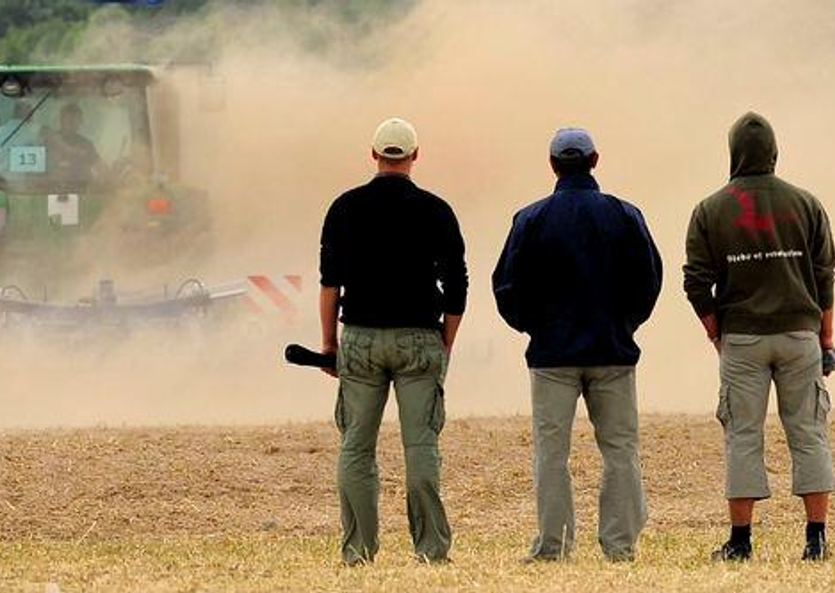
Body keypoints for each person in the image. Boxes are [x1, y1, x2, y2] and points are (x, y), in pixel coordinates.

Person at [492, 128, 662, 562]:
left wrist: (534, 328)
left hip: (552, 357)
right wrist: (626, 325)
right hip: (613, 353)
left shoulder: (530, 219)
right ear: (595, 160)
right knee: (621, 449)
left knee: (552, 454)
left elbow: (506, 286)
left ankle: (554, 546)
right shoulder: (625, 215)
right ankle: (620, 545)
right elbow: (649, 279)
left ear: (552, 165)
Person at [683, 112, 834, 562]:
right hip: (799, 336)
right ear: (773, 152)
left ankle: (741, 541)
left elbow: (696, 282)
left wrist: (718, 336)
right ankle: (816, 538)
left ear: (733, 154)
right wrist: (826, 340)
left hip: (743, 339)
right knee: (808, 432)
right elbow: (825, 279)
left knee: (742, 435)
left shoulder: (710, 209)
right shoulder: (806, 204)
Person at [319, 117, 468, 565]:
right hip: (420, 337)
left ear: (373, 155)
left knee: (356, 446)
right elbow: (458, 285)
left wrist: (330, 343)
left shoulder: (344, 208)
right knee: (420, 447)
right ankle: (431, 550)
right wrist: (446, 342)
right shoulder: (437, 210)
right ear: (415, 156)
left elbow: (330, 285)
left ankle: (358, 551)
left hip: (361, 338)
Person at [44, 102, 102, 185]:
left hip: (80, 190)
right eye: (68, 119)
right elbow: (39, 169)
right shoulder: (49, 141)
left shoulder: (87, 144)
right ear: (61, 120)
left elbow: (98, 166)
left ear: (80, 121)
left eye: (75, 119)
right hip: (48, 190)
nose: (71, 122)